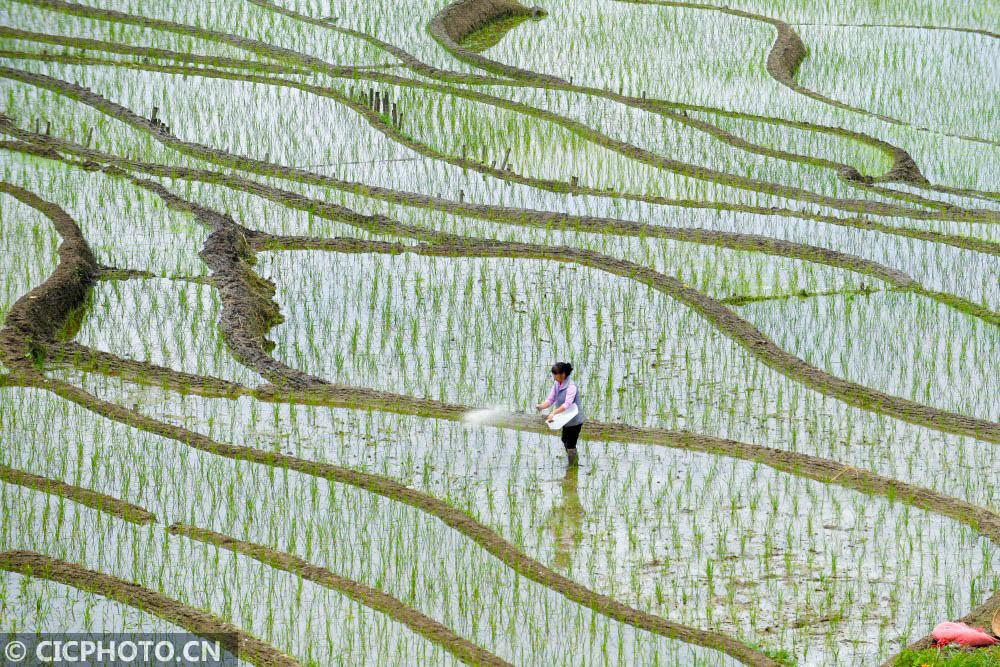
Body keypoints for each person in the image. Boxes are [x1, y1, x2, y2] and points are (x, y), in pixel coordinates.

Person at [536, 362, 585, 465]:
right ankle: (571, 462)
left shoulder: (571, 386)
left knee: (571, 444)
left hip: (575, 420)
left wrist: (553, 412)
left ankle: (573, 466)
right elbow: (551, 399)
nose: (554, 377)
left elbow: (567, 404)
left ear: (563, 374)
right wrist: (541, 406)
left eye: (555, 374)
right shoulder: (557, 383)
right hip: (565, 418)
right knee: (564, 439)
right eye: (553, 374)